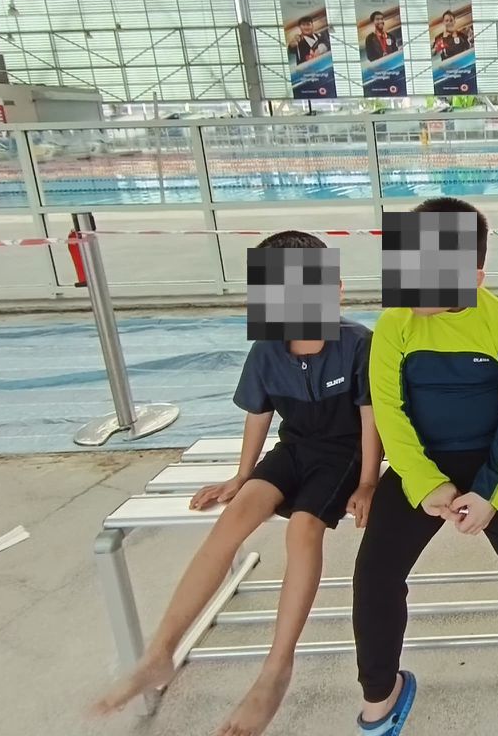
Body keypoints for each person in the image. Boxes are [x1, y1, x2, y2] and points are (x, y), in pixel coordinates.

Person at [93, 230, 379, 736]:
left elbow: (370, 419)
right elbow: (259, 413)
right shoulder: (268, 348)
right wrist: (243, 475)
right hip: (293, 450)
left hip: (343, 455)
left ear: (334, 290)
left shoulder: (358, 343)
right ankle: (159, 652)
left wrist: (368, 483)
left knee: (303, 529)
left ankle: (276, 668)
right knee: (232, 519)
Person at [353, 198, 498, 736]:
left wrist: (489, 494)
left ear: (474, 277)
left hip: (497, 462)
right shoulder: (393, 325)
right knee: (375, 573)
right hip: (420, 464)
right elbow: (390, 412)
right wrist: (424, 483)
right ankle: (381, 695)